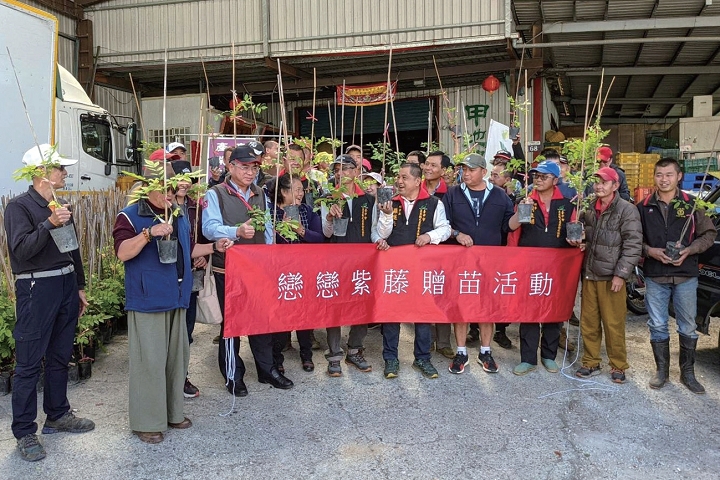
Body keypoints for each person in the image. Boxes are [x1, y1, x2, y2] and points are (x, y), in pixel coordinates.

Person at [114, 159, 231, 444]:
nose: (170, 193)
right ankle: (147, 421)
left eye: (172, 188)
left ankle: (172, 413)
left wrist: (215, 246)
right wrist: (147, 234)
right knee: (149, 362)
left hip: (178, 296)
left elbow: (188, 249)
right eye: (164, 188)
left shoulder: (177, 214)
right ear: (148, 188)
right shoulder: (129, 216)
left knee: (176, 359)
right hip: (148, 299)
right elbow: (122, 253)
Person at [5, 144, 94, 462]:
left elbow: (72, 248)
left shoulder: (60, 204)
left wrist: (79, 285)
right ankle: (25, 431)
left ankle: (57, 414)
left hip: (66, 285)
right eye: (60, 168)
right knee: (29, 363)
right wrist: (48, 224)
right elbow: (22, 250)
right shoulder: (19, 208)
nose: (66, 173)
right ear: (40, 172)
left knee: (59, 356)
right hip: (36, 288)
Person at [203, 143, 294, 395]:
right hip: (228, 270)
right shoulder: (216, 193)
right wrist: (236, 231)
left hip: (257, 270)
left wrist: (270, 255)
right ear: (231, 166)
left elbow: (266, 230)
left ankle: (267, 370)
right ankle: (233, 375)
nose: (250, 172)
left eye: (254, 167)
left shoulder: (260, 193)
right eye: (244, 166)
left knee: (261, 320)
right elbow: (209, 228)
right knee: (231, 325)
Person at [637, 157, 717, 393]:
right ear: (654, 177)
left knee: (688, 325)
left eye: (669, 175)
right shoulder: (643, 207)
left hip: (686, 275)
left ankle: (688, 374)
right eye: (659, 175)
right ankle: (661, 371)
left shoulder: (692, 205)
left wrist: (690, 250)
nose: (664, 180)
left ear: (679, 177)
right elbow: (634, 239)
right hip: (656, 274)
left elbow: (709, 234)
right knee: (658, 324)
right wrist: (650, 251)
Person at [377, 162, 451, 379]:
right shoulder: (389, 202)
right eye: (398, 177)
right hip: (395, 267)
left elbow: (445, 228)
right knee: (391, 312)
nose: (399, 181)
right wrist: (387, 215)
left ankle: (422, 358)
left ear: (417, 181)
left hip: (421, 267)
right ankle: (390, 358)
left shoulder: (434, 203)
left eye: (404, 177)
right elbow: (381, 232)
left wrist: (430, 236)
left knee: (423, 312)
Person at [442, 154, 514, 374]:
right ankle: (461, 351)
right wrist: (457, 233)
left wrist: (521, 212)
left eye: (471, 170)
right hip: (460, 261)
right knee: (461, 306)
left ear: (484, 171)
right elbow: (443, 224)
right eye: (463, 169)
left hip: (489, 262)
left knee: (486, 307)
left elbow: (508, 226)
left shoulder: (500, 196)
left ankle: (485, 350)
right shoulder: (453, 194)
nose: (466, 173)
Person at [568, 167, 642, 383]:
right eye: (597, 182)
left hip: (611, 277)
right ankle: (590, 361)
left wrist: (621, 274)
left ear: (615, 185)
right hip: (590, 274)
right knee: (589, 322)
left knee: (613, 324)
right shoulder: (589, 209)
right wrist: (581, 242)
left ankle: (618, 365)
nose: (599, 186)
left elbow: (633, 244)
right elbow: (588, 237)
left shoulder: (626, 210)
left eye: (604, 182)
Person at [508, 161, 575, 376]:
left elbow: (574, 233)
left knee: (553, 311)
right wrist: (521, 211)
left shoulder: (567, 204)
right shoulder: (525, 201)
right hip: (530, 266)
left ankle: (549, 355)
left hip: (557, 266)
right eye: (536, 175)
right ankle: (528, 358)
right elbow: (511, 229)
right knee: (529, 311)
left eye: (543, 176)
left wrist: (578, 241)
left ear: (556, 180)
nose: (538, 179)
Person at [322, 155, 383, 376]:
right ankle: (334, 354)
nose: (341, 173)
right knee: (335, 306)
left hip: (362, 260)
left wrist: (379, 240)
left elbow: (375, 228)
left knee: (361, 304)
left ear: (356, 172)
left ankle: (355, 349)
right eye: (337, 170)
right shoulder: (329, 198)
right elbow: (325, 233)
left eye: (346, 169)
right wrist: (329, 217)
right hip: (336, 260)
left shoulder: (368, 199)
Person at [267, 174, 324, 373]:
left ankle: (306, 355)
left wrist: (300, 230)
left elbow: (320, 239)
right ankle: (277, 358)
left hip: (305, 271)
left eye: (302, 190)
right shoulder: (271, 213)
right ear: (283, 192)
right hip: (280, 274)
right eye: (296, 189)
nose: (301, 193)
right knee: (282, 317)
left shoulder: (307, 211)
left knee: (304, 315)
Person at [171, 160, 205, 398]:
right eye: (178, 179)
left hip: (192, 273)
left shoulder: (196, 208)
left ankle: (181, 375)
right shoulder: (162, 206)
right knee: (169, 328)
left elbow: (201, 237)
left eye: (187, 179)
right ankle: (169, 378)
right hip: (168, 274)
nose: (183, 183)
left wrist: (205, 259)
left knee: (187, 328)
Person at [421, 151, 453, 359]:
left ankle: (443, 342)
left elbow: (453, 223)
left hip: (443, 252)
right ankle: (425, 341)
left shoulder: (450, 193)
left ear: (443, 170)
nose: (428, 168)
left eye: (433, 165)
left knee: (443, 294)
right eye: (426, 164)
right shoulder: (415, 187)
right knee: (422, 295)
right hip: (418, 251)